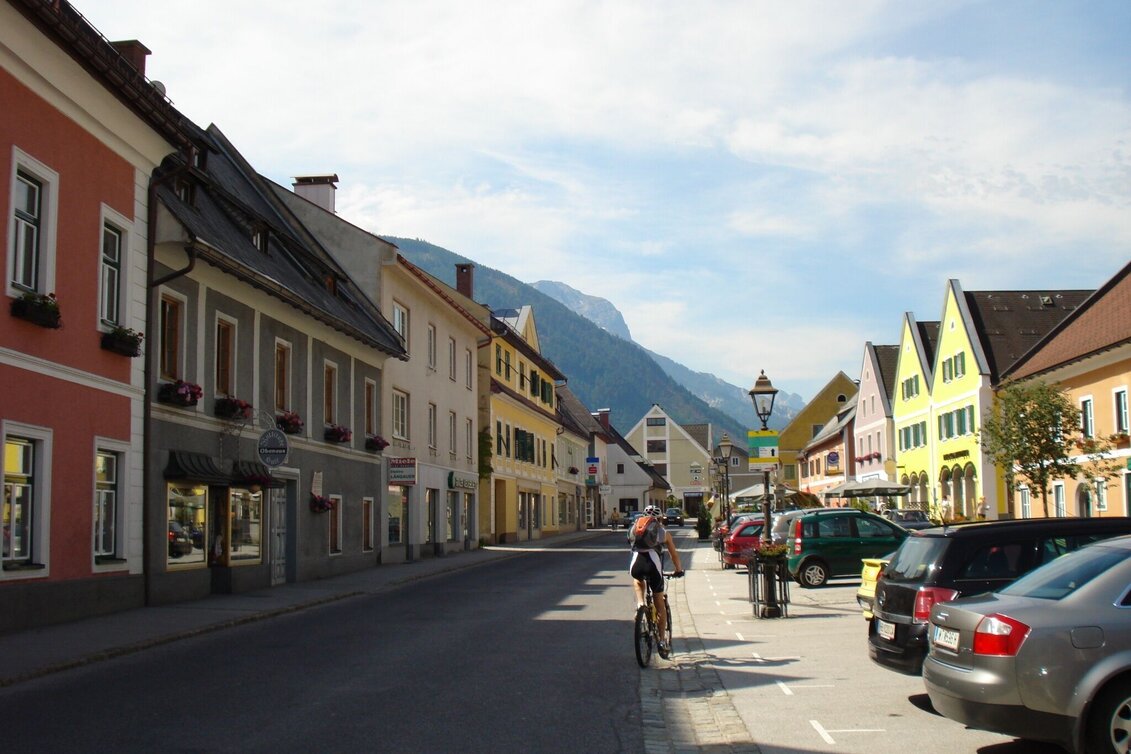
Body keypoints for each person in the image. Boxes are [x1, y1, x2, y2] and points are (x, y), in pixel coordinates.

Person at [630, 504, 684, 658]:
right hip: (653, 566)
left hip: (636, 563)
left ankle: (640, 605)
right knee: (659, 600)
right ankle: (661, 641)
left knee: (638, 580)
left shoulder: (636, 529)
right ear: (659, 519)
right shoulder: (663, 532)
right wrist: (678, 570)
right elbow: (674, 555)